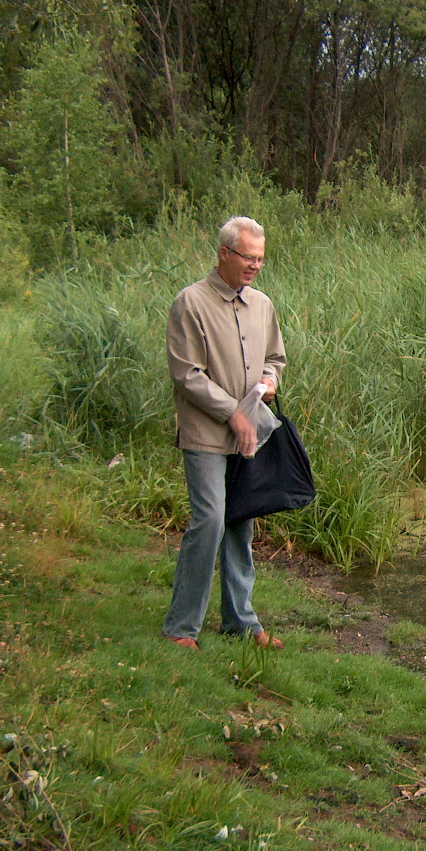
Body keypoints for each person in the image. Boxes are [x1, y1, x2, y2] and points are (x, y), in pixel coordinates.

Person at [161, 216, 286, 650]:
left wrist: (270, 380)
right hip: (205, 434)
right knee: (211, 519)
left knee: (239, 522)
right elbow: (186, 373)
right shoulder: (191, 302)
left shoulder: (262, 305)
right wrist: (232, 412)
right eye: (248, 257)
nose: (255, 266)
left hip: (248, 436)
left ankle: (241, 622)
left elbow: (275, 358)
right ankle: (181, 627)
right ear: (224, 253)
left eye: (261, 259)